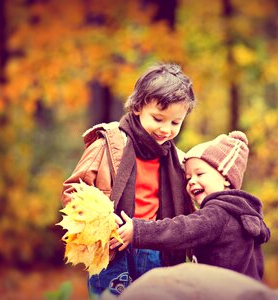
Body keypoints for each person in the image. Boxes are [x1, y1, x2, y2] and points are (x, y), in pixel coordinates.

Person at [60, 63, 196, 296]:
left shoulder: (179, 162)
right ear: (138, 107)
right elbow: (74, 191)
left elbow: (191, 216)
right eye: (158, 118)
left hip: (155, 250)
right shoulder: (108, 144)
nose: (166, 129)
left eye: (175, 122)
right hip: (112, 249)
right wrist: (103, 221)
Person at [111, 131, 271, 281]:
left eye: (200, 174)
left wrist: (138, 230)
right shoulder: (241, 213)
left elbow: (181, 230)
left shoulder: (218, 214)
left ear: (226, 178)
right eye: (188, 178)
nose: (192, 181)